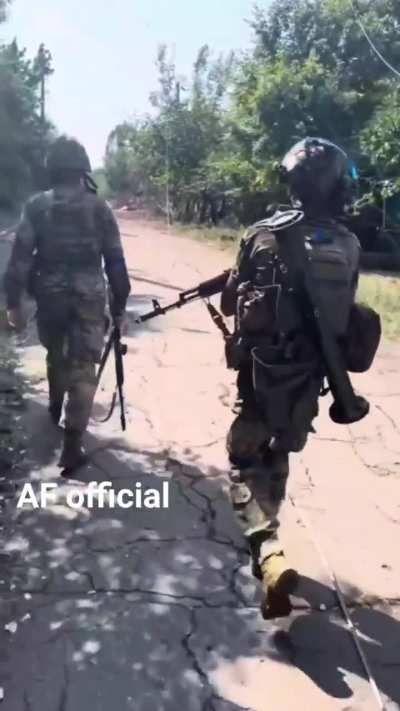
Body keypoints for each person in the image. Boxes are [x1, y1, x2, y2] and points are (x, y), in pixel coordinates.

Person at [220, 138, 360, 619]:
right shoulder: (348, 245)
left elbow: (230, 303)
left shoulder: (261, 236)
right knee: (277, 457)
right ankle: (270, 552)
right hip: (307, 381)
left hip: (259, 376)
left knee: (243, 463)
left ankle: (267, 549)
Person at [4, 136, 131, 471]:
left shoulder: (36, 206)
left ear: (52, 168)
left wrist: (13, 304)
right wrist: (119, 310)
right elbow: (116, 263)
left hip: (50, 295)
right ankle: (71, 446)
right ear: (82, 169)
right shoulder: (99, 208)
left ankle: (54, 402)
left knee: (54, 351)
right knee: (84, 369)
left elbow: (18, 260)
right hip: (89, 296)